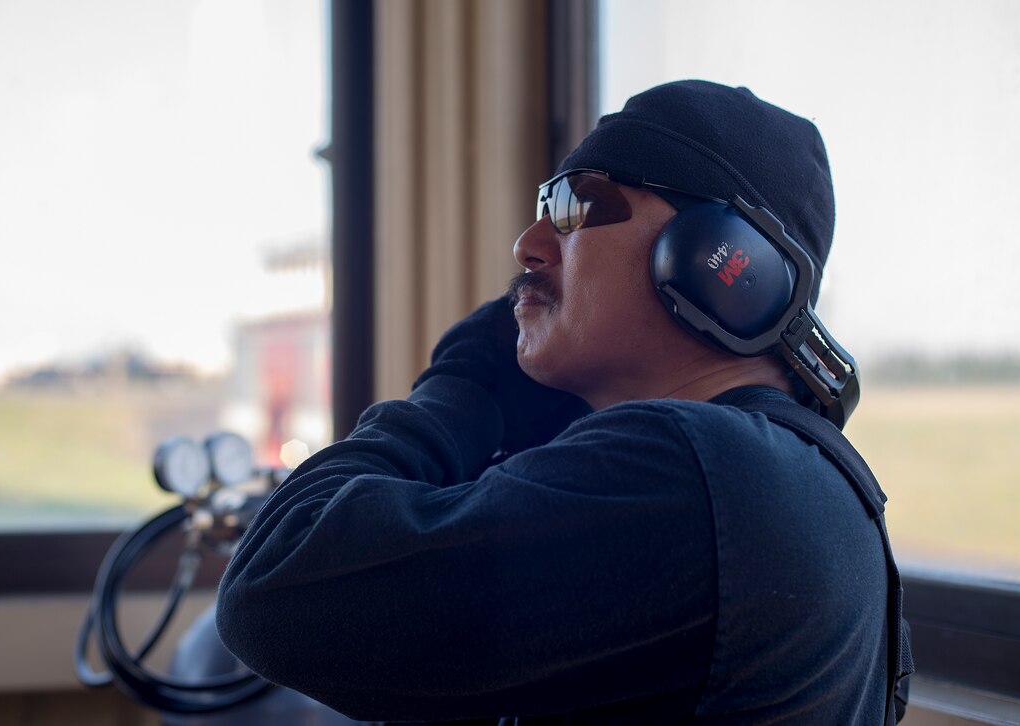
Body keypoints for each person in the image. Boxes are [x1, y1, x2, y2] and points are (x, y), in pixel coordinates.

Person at [217, 80, 911, 724]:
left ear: (721, 261)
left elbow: (276, 586)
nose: (527, 246)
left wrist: (465, 388)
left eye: (575, 205)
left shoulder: (691, 474)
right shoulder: (791, 478)